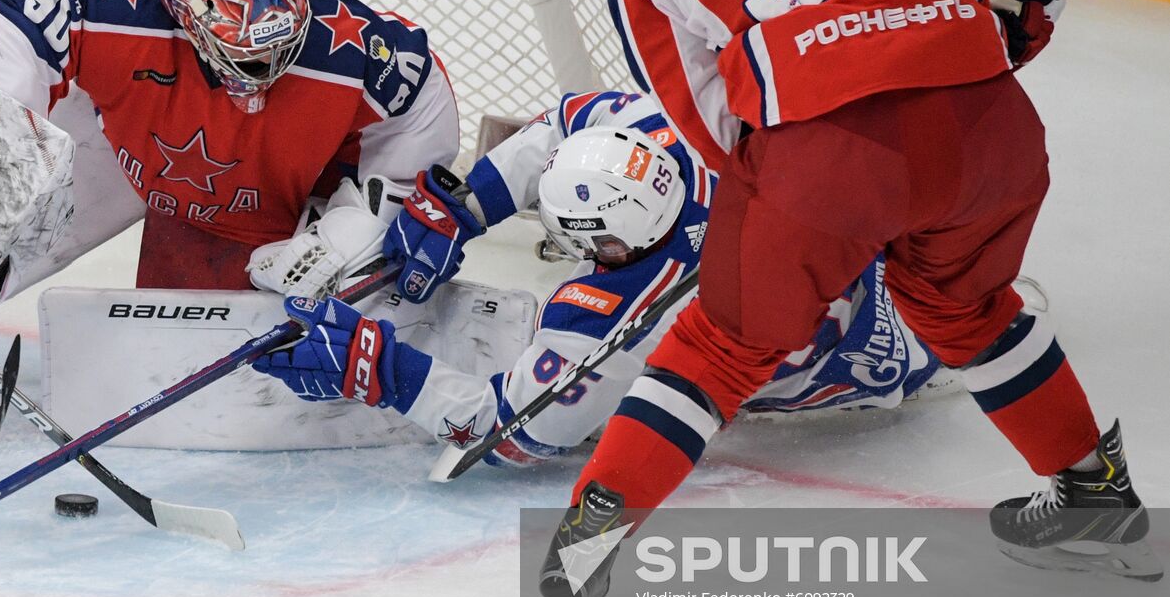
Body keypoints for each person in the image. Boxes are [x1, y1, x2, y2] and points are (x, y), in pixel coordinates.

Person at [537, 0, 1152, 597]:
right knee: (964, 309)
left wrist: (795, 208)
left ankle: (590, 537)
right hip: (986, 119)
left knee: (721, 346)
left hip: (821, 153)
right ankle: (1094, 493)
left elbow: (704, 122)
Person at [249, 90, 940, 464]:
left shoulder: (614, 318)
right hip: (905, 263)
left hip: (875, 368)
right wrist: (463, 204)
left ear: (602, 246)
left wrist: (383, 371)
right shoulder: (675, 137)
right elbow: (569, 121)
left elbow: (516, 436)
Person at [0, 0, 459, 291]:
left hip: (263, 165)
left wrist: (361, 224)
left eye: (280, 52)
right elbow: (8, 26)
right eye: (245, 56)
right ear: (187, 15)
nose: (262, 74)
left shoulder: (343, 39)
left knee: (203, 336)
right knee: (12, 125)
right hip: (130, 94)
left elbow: (423, 98)